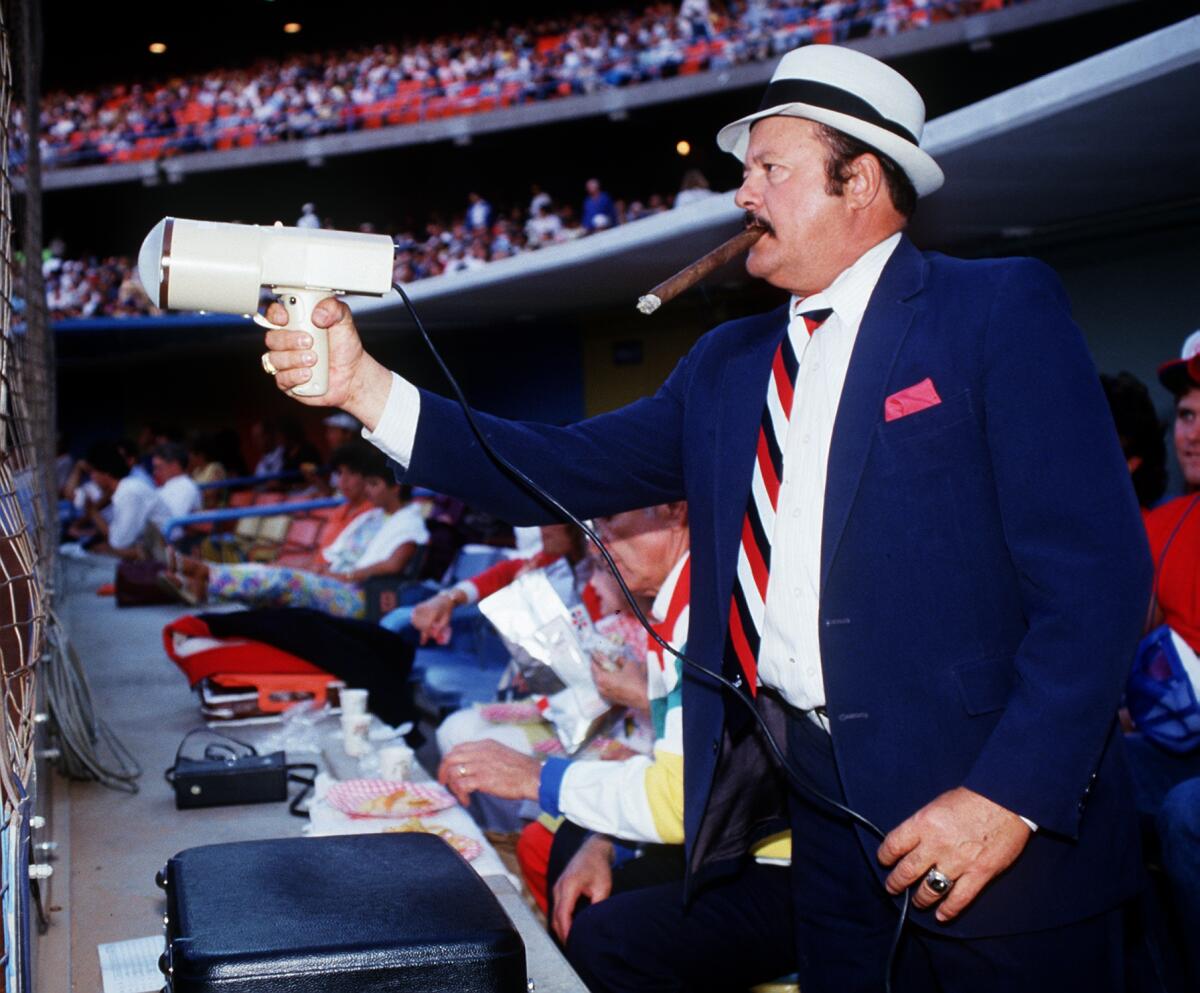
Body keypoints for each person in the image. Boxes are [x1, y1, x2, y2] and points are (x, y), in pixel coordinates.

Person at [260, 44, 1151, 993]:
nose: (742, 195)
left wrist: (1006, 796)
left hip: (992, 826)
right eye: (744, 171)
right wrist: (364, 387)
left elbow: (1097, 584)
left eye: (770, 167)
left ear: (862, 179)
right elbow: (557, 467)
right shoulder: (729, 364)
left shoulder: (994, 310)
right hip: (823, 836)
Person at [161, 449, 427, 617]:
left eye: (375, 484)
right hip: (338, 583)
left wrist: (342, 574)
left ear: (396, 488)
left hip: (360, 597)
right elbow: (335, 553)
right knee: (273, 572)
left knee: (289, 581)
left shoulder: (409, 523)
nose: (368, 491)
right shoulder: (373, 517)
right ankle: (204, 583)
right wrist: (325, 570)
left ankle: (205, 574)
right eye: (367, 484)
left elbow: (393, 564)